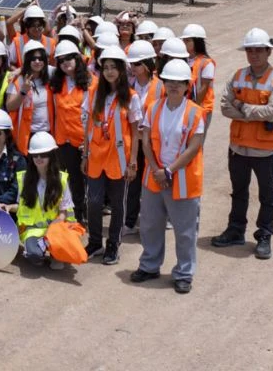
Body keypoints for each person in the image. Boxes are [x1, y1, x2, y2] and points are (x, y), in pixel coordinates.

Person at [131, 59, 207, 294]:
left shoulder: (195, 112)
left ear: (187, 85)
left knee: (185, 231)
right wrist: (157, 169)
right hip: (154, 177)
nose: (174, 86)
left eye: (179, 82)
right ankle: (149, 265)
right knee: (150, 225)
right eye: (169, 81)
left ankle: (184, 273)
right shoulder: (153, 108)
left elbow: (193, 147)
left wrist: (168, 170)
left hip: (182, 180)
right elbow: (145, 141)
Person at [212, 28, 273, 260]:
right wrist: (252, 114)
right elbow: (224, 106)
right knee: (238, 192)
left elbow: (272, 112)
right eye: (250, 50)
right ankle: (235, 230)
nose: (253, 54)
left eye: (258, 50)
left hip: (266, 150)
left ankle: (264, 235)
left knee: (267, 195)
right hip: (238, 148)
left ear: (268, 52)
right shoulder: (238, 75)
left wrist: (242, 107)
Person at [81, 46, 145, 265]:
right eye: (106, 67)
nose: (109, 72)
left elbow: (135, 132)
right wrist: (85, 155)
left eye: (113, 67)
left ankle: (113, 245)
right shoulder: (93, 93)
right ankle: (95, 242)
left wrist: (133, 162)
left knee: (118, 204)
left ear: (121, 70)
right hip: (96, 157)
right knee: (93, 201)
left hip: (119, 158)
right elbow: (88, 126)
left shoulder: (131, 97)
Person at [11, 131, 75, 267]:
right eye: (35, 155)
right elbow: (20, 206)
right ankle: (39, 250)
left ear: (51, 155)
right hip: (32, 230)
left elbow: (64, 212)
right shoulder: (24, 178)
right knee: (35, 256)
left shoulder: (61, 179)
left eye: (43, 154)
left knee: (58, 265)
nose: (39, 158)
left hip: (55, 229)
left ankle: (56, 252)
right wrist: (6, 207)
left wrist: (53, 228)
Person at [49, 39, 91, 225]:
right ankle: (72, 215)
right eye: (61, 60)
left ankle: (83, 215)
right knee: (68, 180)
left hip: (82, 141)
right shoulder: (56, 82)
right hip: (62, 141)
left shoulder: (90, 82)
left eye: (69, 58)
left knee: (83, 181)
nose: (65, 63)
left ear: (77, 58)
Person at [123, 39, 162, 236]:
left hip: (153, 143)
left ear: (147, 64)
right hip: (135, 141)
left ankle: (153, 222)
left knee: (153, 184)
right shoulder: (128, 85)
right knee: (133, 183)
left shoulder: (160, 86)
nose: (133, 67)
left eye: (137, 64)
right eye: (131, 63)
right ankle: (130, 222)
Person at [12, 39, 51, 156]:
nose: (37, 61)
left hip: (48, 133)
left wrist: (19, 69)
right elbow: (10, 106)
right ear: (27, 60)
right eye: (33, 59)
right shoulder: (18, 80)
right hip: (27, 135)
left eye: (40, 58)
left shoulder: (51, 75)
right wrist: (23, 91)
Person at [181, 24, 217, 120]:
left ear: (197, 42)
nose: (184, 43)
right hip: (184, 108)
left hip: (201, 109)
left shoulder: (206, 63)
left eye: (187, 40)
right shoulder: (183, 60)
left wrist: (193, 109)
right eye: (183, 40)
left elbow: (203, 88)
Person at [7, 4, 52, 69]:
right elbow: (10, 63)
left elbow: (53, 65)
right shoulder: (17, 42)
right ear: (27, 27)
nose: (36, 29)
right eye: (33, 26)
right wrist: (20, 72)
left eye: (39, 25)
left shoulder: (51, 42)